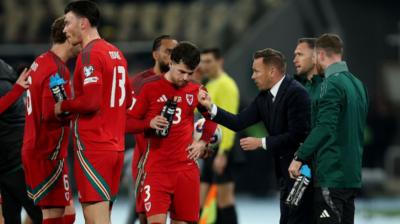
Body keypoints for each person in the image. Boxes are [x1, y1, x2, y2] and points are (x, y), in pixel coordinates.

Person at [198, 48, 313, 224]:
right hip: (284, 172)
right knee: (289, 218)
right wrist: (211, 108)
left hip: (303, 171)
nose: (253, 76)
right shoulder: (264, 97)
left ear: (272, 72)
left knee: (296, 219)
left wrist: (262, 142)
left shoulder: (297, 93)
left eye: (256, 71)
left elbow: (298, 135)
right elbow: (238, 122)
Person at [59, 1, 132, 223]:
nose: (64, 29)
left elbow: (90, 102)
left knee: (97, 220)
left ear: (83, 23)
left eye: (67, 23)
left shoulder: (89, 54)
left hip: (94, 148)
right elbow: (127, 98)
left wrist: (63, 105)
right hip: (116, 148)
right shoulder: (116, 53)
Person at [128, 42, 217, 224]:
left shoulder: (196, 89)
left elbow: (212, 117)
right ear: (171, 63)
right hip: (157, 171)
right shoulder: (149, 88)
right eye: (181, 71)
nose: (185, 77)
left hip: (186, 171)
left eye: (190, 73)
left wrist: (203, 142)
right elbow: (126, 123)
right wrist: (149, 123)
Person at [288, 33, 369, 224]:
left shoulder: (330, 84)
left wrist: (299, 157)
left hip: (332, 173)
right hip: (352, 174)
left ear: (321, 55)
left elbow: (325, 127)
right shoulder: (359, 85)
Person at [21, 17, 79, 224]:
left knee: (64, 213)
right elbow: (52, 111)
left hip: (39, 148)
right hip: (46, 151)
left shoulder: (41, 60)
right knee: (54, 216)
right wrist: (82, 107)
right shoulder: (57, 69)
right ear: (69, 38)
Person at [126, 34, 178, 224]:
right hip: (146, 160)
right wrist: (149, 124)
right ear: (155, 55)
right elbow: (126, 123)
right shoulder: (139, 83)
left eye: (176, 52)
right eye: (168, 52)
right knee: (146, 217)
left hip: (177, 162)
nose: (173, 56)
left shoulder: (184, 83)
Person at [199, 48, 239, 224]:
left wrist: (223, 153)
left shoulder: (226, 84)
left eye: (208, 61)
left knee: (224, 201)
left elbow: (231, 122)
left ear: (220, 61)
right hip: (209, 149)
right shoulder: (210, 84)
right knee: (200, 200)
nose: (204, 65)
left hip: (223, 149)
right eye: (202, 61)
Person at [0, 60, 43, 224]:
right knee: (12, 216)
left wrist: (17, 90)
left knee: (38, 214)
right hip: (9, 163)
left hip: (15, 163)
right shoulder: (7, 81)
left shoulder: (3, 86)